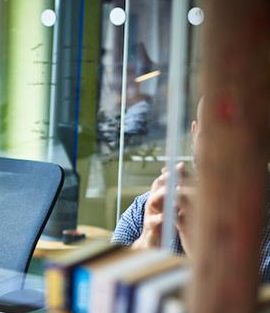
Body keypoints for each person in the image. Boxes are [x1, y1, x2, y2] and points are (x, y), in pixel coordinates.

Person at [111, 98, 270, 284]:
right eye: (208, 136)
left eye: (237, 142)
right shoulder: (144, 211)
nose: (218, 154)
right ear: (194, 135)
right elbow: (100, 297)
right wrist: (147, 243)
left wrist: (204, 255)